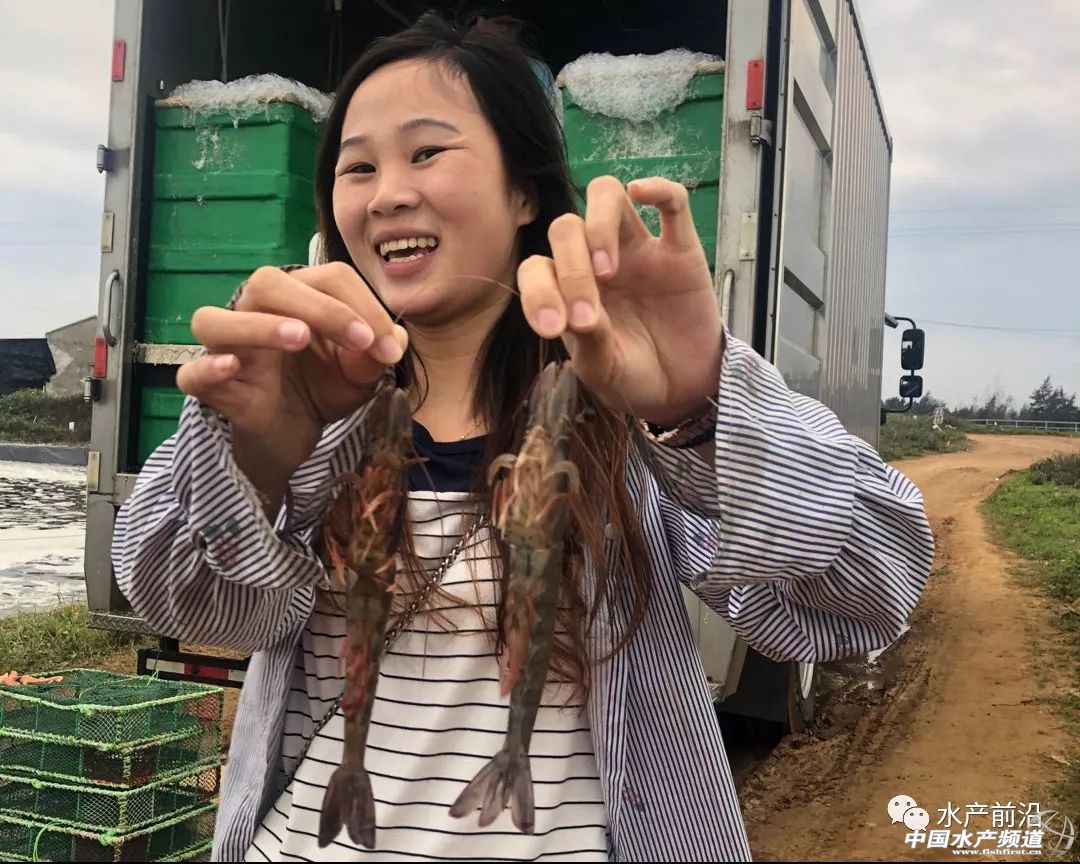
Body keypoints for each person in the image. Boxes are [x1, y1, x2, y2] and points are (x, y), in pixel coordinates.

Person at [112, 13, 934, 863]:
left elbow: (870, 595)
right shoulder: (305, 410)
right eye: (358, 167)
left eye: (426, 152)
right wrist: (256, 463)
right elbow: (190, 607)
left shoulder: (627, 424)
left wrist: (701, 402)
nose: (387, 192)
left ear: (525, 192)